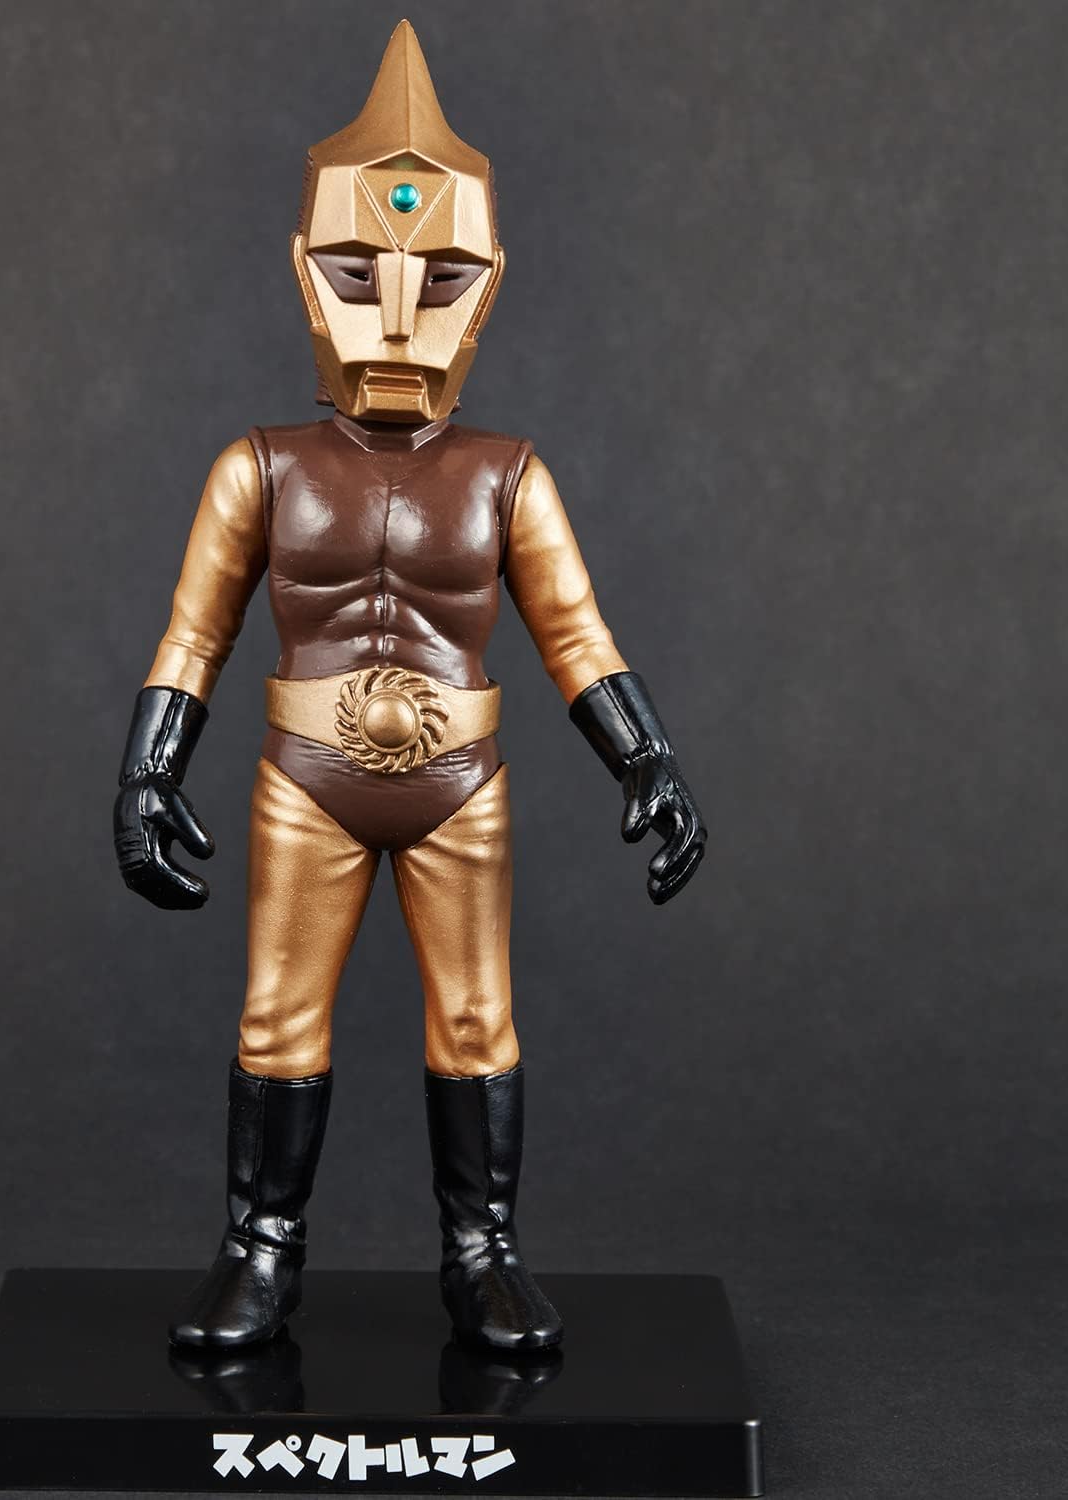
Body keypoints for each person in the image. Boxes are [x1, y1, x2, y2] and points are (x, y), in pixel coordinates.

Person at [114, 20, 706, 1353]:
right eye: (356, 271)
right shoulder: (260, 468)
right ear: (305, 273)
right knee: (279, 1017)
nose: (393, 314)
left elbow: (577, 636)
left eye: (437, 277)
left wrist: (648, 759)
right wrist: (147, 769)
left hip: (458, 788)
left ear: (485, 285)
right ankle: (260, 1253)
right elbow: (193, 635)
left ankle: (482, 1255)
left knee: (478, 1018)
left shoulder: (507, 474)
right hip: (306, 782)